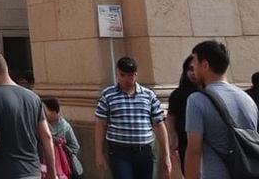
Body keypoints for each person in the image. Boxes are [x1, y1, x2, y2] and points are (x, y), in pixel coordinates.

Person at [0, 51, 55, 179]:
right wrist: (52, 174)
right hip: (33, 171)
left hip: (5, 172)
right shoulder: (33, 97)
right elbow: (46, 136)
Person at [184, 39, 258, 179]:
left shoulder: (197, 100)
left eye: (195, 62)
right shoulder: (247, 99)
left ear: (205, 65)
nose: (193, 67)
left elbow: (194, 150)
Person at [93, 55, 170, 179]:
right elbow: (100, 124)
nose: (125, 79)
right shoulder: (108, 95)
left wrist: (166, 155)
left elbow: (159, 124)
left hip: (144, 151)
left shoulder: (148, 96)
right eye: (122, 75)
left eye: (129, 76)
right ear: (117, 73)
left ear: (135, 75)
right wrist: (99, 154)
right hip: (119, 152)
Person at [167, 55, 199, 176]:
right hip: (185, 141)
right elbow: (171, 117)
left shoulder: (208, 91)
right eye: (190, 69)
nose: (193, 73)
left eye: (195, 69)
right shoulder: (178, 94)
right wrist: (173, 138)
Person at [42, 97, 82, 179]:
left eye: (45, 111)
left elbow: (75, 147)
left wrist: (63, 154)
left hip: (62, 167)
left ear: (54, 112)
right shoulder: (41, 125)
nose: (43, 113)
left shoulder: (65, 127)